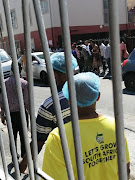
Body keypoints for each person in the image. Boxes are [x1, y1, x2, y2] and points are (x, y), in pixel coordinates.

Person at [42, 72, 130, 180]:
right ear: (98, 96)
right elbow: (125, 169)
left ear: (69, 100)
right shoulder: (115, 126)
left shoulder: (58, 136)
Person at [19, 52, 78, 173]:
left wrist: (24, 162)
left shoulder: (50, 105)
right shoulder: (85, 93)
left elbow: (39, 141)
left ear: (54, 74)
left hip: (63, 162)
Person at [0, 62, 29, 159]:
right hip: (21, 114)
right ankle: (24, 158)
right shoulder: (24, 83)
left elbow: (2, 101)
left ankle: (14, 157)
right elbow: (27, 102)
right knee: (24, 137)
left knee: (12, 137)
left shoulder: (5, 83)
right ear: (21, 69)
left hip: (10, 114)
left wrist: (2, 115)